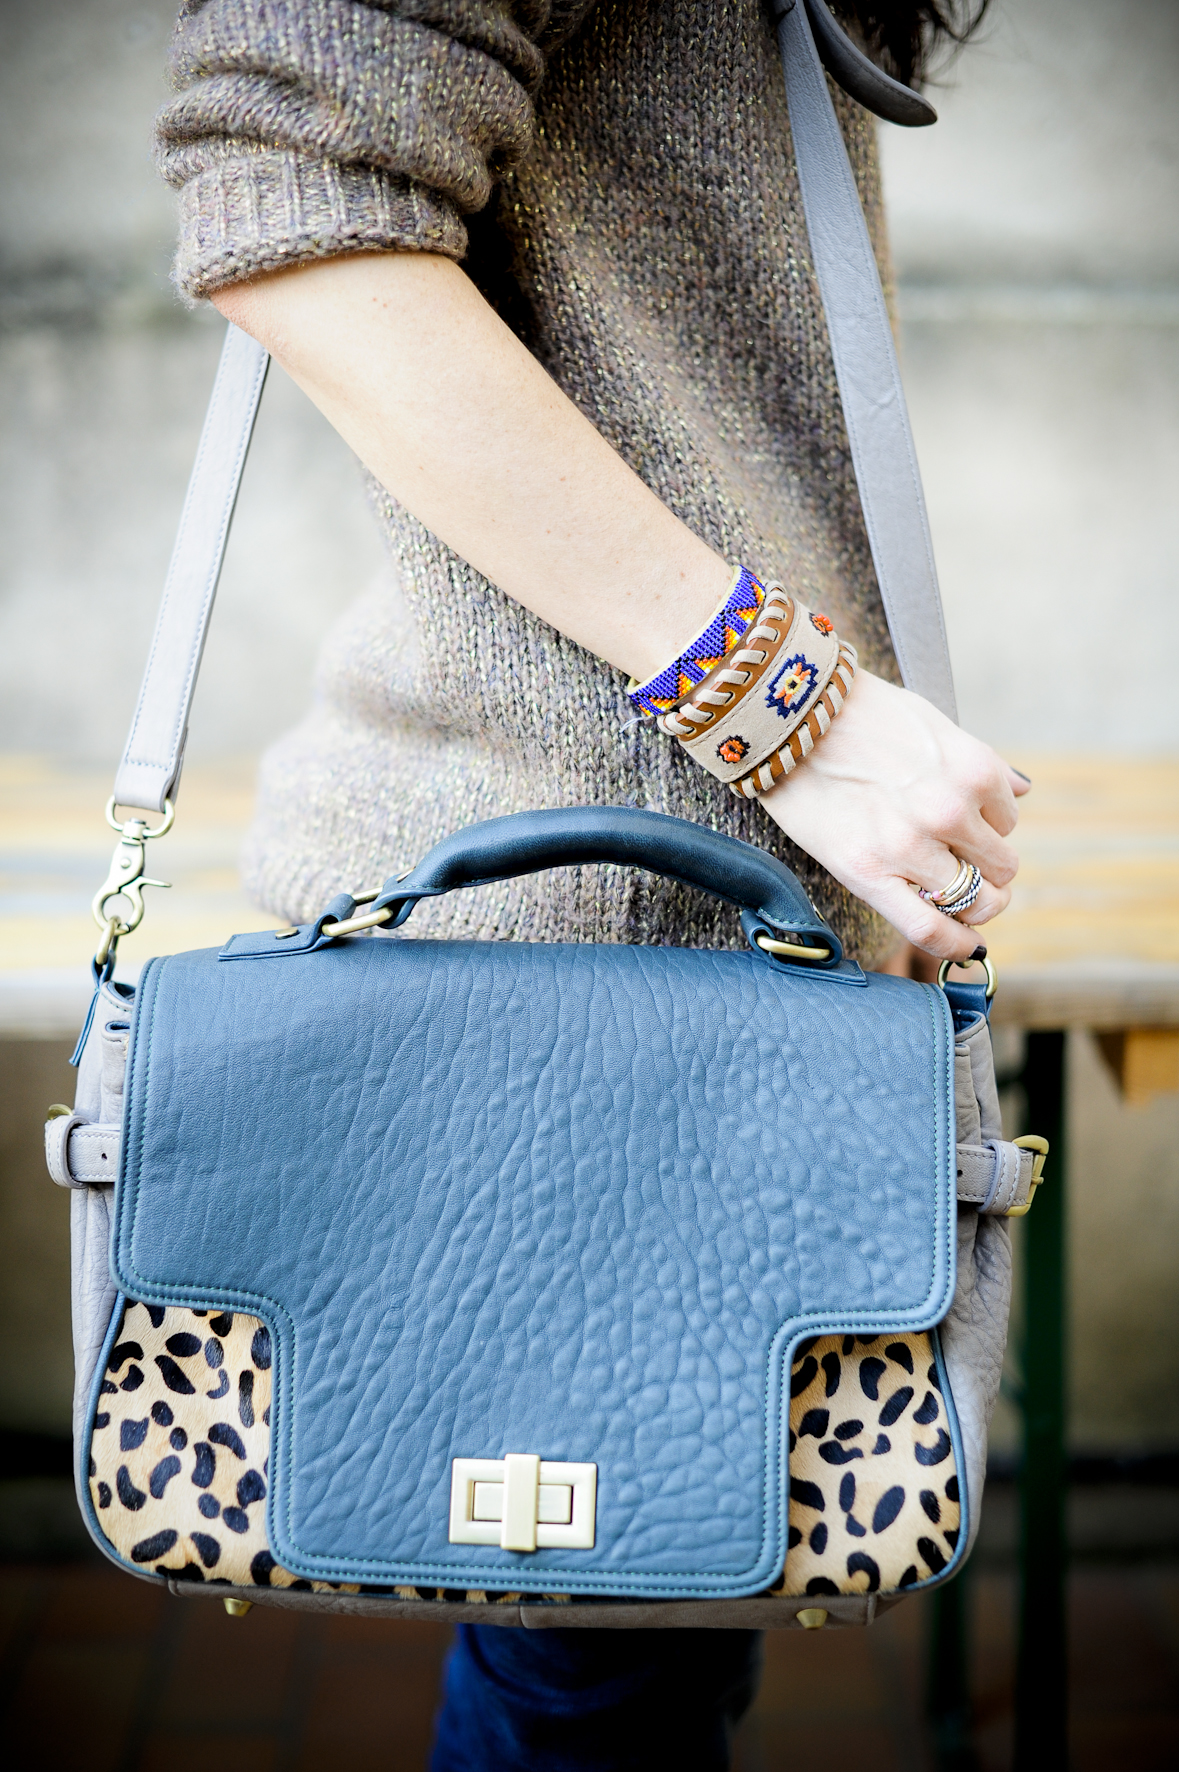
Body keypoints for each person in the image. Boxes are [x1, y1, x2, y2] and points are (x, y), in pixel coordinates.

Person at [154, 2, 1017, 1765]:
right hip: (611, 951)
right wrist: (784, 705)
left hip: (676, 927)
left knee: (621, 1671)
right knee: (603, 1682)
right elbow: (293, 188)